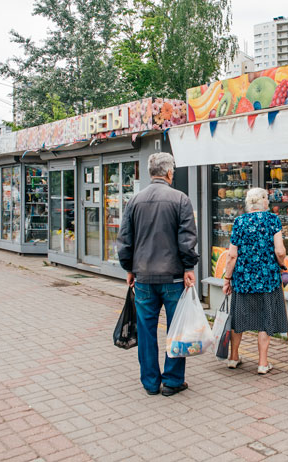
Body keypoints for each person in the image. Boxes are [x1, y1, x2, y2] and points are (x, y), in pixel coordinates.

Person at [117, 152, 199, 396]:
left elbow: (125, 239)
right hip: (173, 278)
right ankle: (173, 381)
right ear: (170, 173)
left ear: (151, 171)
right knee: (176, 329)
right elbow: (187, 239)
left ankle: (151, 383)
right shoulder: (180, 199)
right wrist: (188, 267)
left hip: (143, 278)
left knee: (146, 331)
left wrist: (129, 268)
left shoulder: (135, 201)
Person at [222, 187, 288, 374]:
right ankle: (262, 363)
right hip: (267, 279)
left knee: (238, 319)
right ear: (264, 202)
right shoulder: (272, 220)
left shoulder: (239, 222)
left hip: (243, 280)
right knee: (265, 319)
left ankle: (233, 357)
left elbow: (232, 256)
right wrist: (282, 264)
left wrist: (227, 279)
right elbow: (280, 251)